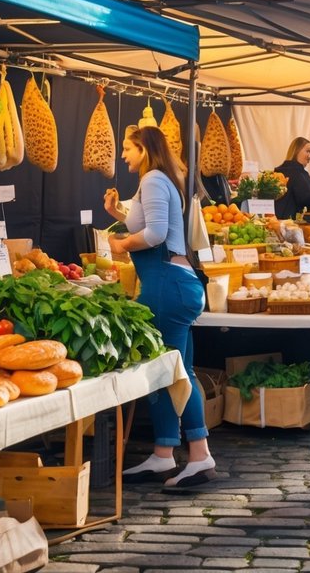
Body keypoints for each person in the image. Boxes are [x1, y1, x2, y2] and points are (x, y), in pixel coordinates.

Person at [102, 126, 214, 487]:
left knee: (171, 374)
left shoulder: (151, 179)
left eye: (128, 148)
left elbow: (154, 235)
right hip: (177, 284)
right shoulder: (162, 179)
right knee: (177, 373)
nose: (123, 155)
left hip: (165, 284)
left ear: (144, 149)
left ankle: (199, 456)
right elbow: (148, 222)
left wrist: (121, 246)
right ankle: (163, 455)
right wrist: (117, 213)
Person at [273, 137, 310, 219]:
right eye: (308, 151)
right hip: (290, 222)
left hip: (276, 220)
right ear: (297, 150)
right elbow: (306, 198)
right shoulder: (296, 173)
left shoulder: (279, 171)